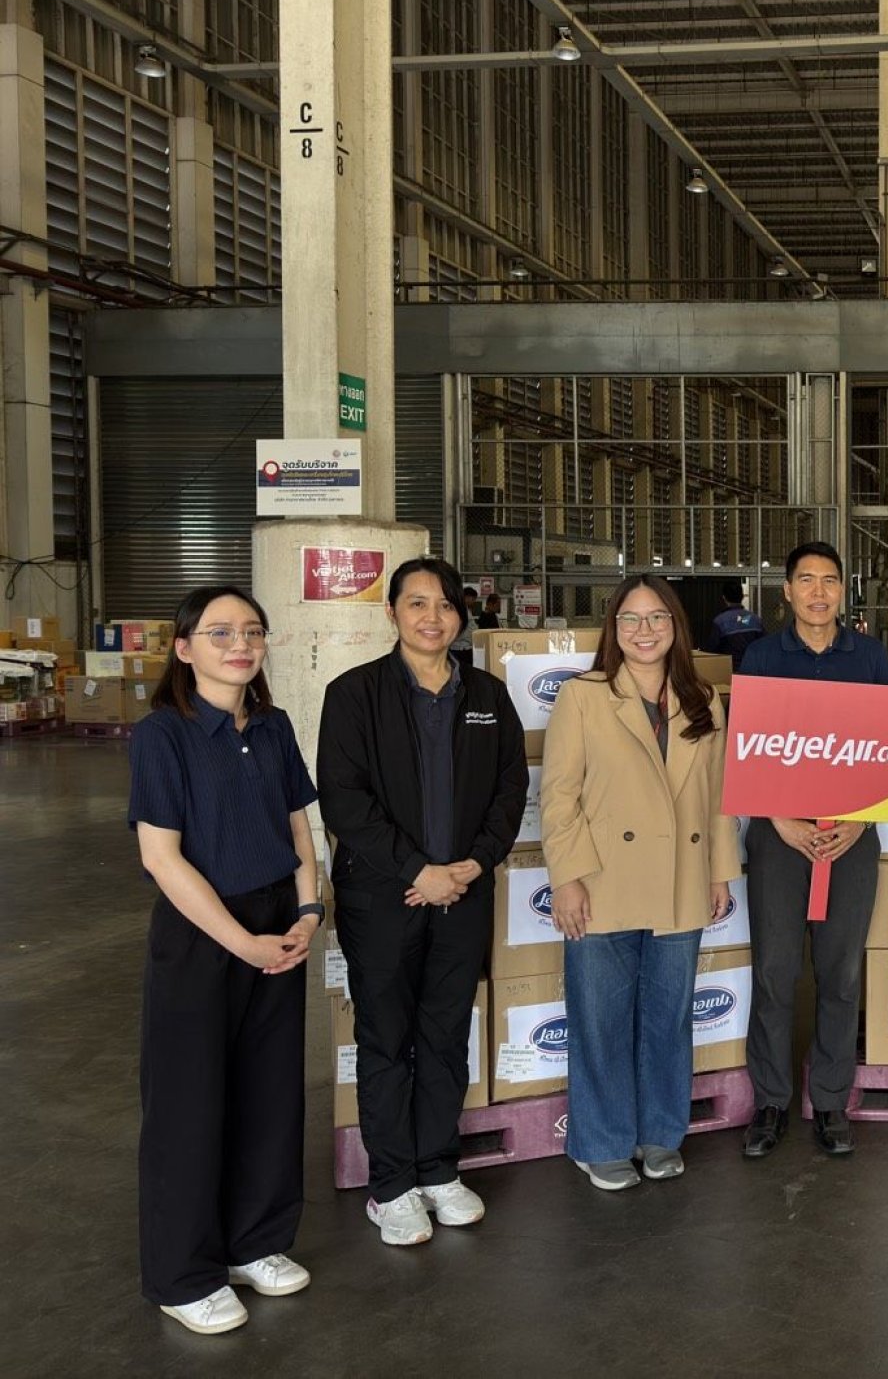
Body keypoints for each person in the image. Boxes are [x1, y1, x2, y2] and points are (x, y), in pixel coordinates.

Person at [128, 585, 322, 1334]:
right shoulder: (162, 735)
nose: (240, 645)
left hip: (279, 922)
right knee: (189, 1103)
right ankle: (184, 1276)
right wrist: (240, 942)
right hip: (203, 934)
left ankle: (256, 1242)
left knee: (270, 1094)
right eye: (219, 633)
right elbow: (161, 857)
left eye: (252, 631)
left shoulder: (272, 726)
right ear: (184, 649)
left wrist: (308, 910)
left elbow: (298, 827)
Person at [318, 557, 528, 1246]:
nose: (432, 617)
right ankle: (392, 1186)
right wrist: (418, 870)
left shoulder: (487, 695)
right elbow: (344, 800)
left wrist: (475, 862)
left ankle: (438, 1169)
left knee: (444, 1034)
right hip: (384, 897)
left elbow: (510, 789)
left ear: (460, 615)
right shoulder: (355, 694)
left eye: (444, 605)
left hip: (463, 893)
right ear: (393, 613)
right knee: (385, 1038)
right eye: (416, 603)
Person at [541, 574, 740, 1191]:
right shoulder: (584, 697)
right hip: (603, 880)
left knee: (668, 1019)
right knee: (600, 1020)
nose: (644, 630)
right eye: (630, 619)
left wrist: (720, 873)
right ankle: (601, 1142)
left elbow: (719, 797)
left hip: (683, 878)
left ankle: (660, 1134)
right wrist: (567, 878)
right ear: (614, 629)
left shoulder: (702, 699)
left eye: (657, 618)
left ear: (676, 626)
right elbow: (559, 797)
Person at [735, 541, 888, 1158]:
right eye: (806, 580)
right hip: (779, 837)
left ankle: (830, 1099)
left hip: (850, 837)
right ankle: (771, 1101)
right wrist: (778, 819)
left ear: (842, 590)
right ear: (787, 591)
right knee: (775, 970)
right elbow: (744, 746)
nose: (818, 592)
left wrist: (861, 820)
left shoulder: (870, 657)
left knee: (841, 971)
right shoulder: (761, 657)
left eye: (829, 580)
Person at [701, 577, 765, 661]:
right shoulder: (754, 619)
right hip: (752, 666)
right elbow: (764, 644)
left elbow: (711, 649)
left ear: (724, 598)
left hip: (729, 667)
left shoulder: (720, 621)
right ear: (742, 597)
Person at [451, 587, 479, 670]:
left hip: (465, 647)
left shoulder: (466, 609)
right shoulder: (459, 610)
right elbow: (460, 629)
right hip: (460, 648)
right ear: (467, 597)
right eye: (473, 599)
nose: (474, 601)